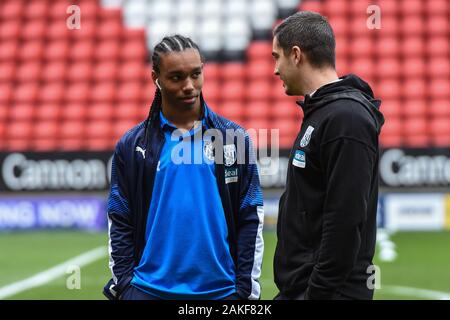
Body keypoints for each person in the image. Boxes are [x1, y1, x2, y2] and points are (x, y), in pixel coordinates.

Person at [103, 35, 264, 300]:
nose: (189, 86)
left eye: (196, 74)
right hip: (147, 290)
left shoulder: (233, 138)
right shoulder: (132, 145)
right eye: (176, 77)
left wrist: (244, 291)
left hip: (221, 293)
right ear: (156, 77)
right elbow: (120, 217)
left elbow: (250, 216)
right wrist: (125, 286)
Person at [271, 12, 384, 300]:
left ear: (296, 55)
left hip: (327, 292)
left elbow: (345, 220)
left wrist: (316, 293)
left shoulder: (345, 118)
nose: (275, 69)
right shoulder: (325, 112)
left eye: (277, 57)